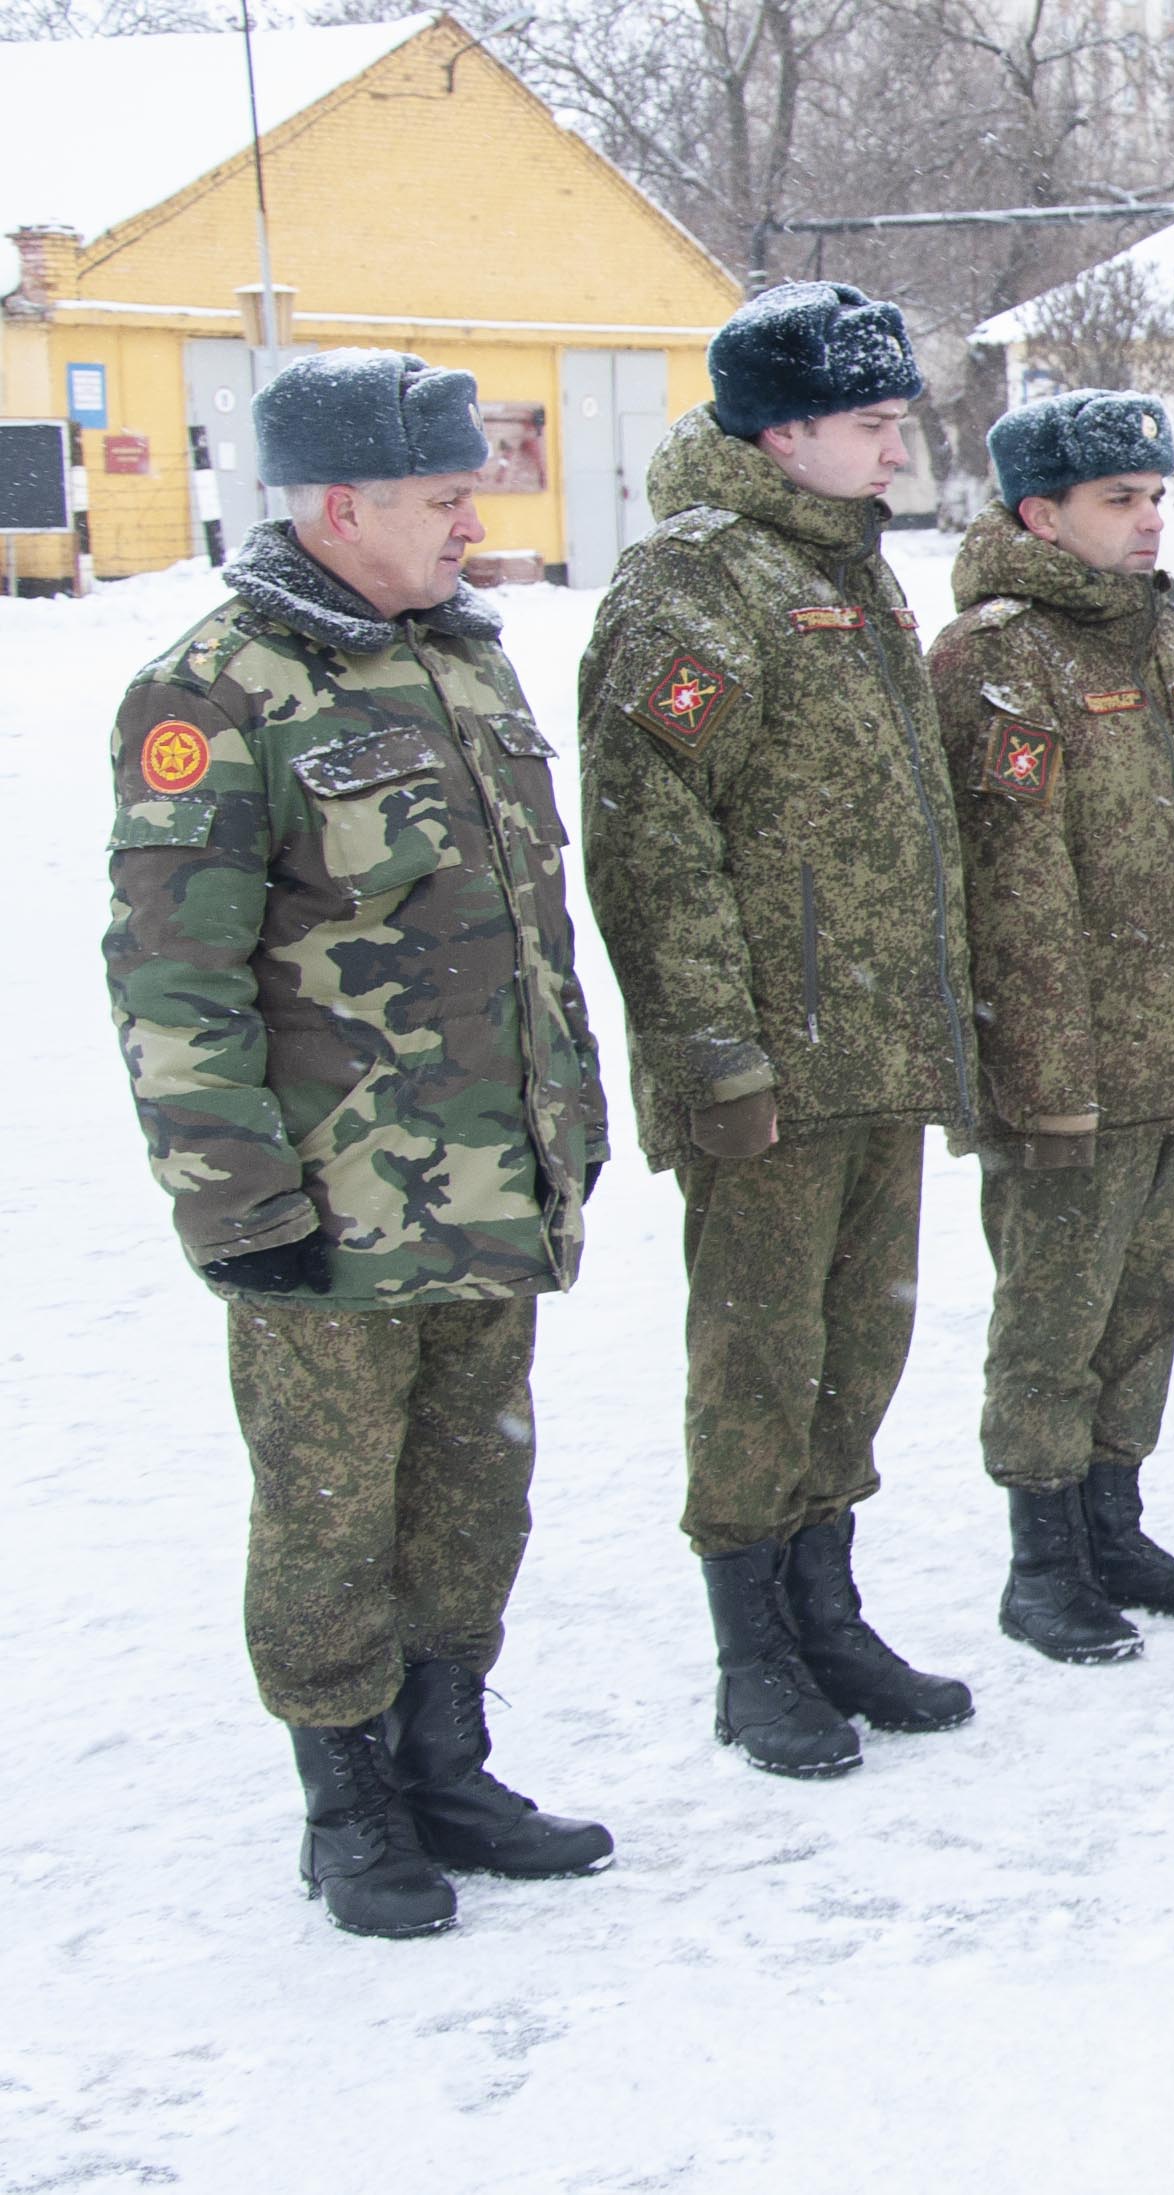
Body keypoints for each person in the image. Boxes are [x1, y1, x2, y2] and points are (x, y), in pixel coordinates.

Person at [102, 349, 612, 1935]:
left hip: (486, 1179)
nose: (477, 520)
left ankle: (446, 1757)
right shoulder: (215, 691)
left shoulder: (463, 660)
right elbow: (170, 975)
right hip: (330, 1202)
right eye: (447, 496)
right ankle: (351, 1799)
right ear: (341, 504)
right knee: (332, 1506)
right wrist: (236, 1197)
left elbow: (532, 922)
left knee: (476, 1485)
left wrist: (568, 1110)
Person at [579, 282, 977, 1779]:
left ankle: (829, 1603)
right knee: (757, 1350)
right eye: (873, 424)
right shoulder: (693, 589)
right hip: (770, 1061)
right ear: (785, 430)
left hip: (876, 1043)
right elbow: (649, 839)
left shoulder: (856, 575)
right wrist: (711, 1048)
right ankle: (754, 1643)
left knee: (856, 1338)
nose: (897, 448)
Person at [928, 389, 1174, 1660]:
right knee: (1054, 1314)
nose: (1146, 519)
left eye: (1153, 496)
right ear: (1040, 514)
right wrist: (1037, 1067)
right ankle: (1042, 1556)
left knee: (1150, 1299)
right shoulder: (997, 657)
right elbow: (1006, 883)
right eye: (1117, 501)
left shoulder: (1169, 643)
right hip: (1068, 1061)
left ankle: (1115, 1518)